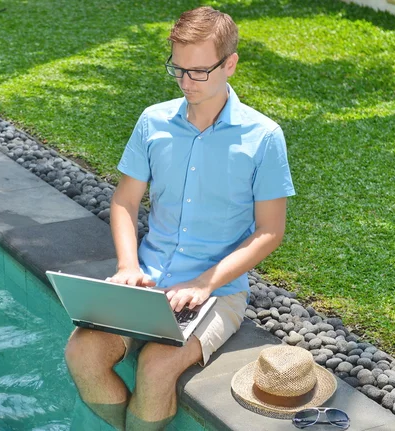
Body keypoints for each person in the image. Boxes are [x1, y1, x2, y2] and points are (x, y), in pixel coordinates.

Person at [64, 6, 295, 431]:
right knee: (82, 352)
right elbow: (125, 201)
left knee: (156, 367)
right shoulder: (153, 122)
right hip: (148, 280)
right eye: (177, 69)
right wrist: (129, 267)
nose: (186, 82)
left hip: (217, 291)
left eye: (199, 71)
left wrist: (204, 282)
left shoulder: (264, 138)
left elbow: (270, 231)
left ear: (230, 65)